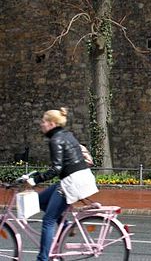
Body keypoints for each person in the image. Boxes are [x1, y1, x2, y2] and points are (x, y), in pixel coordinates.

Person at [26, 108, 99, 261]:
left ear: (52, 124)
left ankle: (43, 258)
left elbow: (56, 168)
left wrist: (35, 180)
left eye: (44, 122)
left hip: (72, 182)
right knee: (40, 200)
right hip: (78, 178)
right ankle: (65, 226)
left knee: (48, 220)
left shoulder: (55, 140)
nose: (41, 124)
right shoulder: (67, 134)